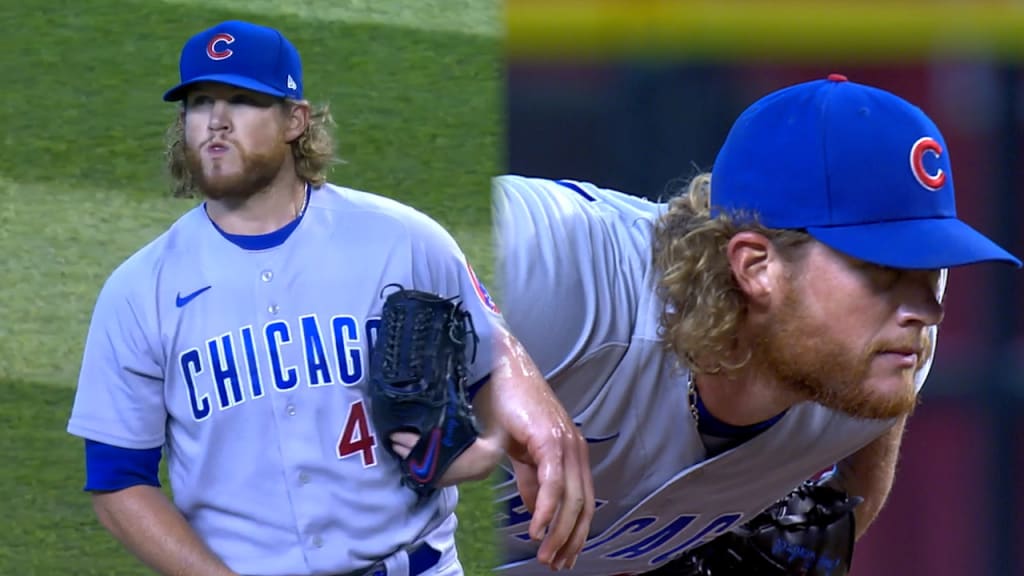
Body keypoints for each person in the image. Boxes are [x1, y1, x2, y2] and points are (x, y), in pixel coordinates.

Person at [66, 20, 592, 576]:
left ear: (296, 120)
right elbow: (118, 480)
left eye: (242, 101)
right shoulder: (138, 290)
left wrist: (488, 448)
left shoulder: (404, 239)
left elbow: (493, 363)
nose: (216, 121)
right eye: (199, 103)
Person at [492, 74, 1022, 575]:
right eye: (882, 270)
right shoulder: (568, 268)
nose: (926, 312)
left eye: (930, 271)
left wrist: (839, 514)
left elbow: (858, 471)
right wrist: (505, 362)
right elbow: (411, 213)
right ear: (756, 267)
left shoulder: (878, 356)